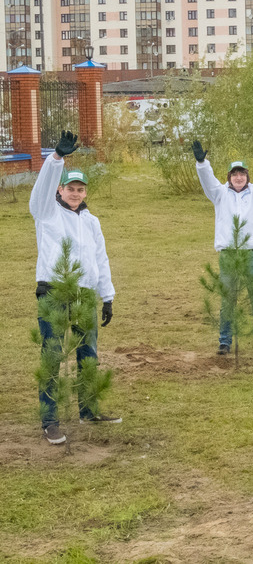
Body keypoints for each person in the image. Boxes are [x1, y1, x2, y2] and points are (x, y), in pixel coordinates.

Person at [31, 131, 121, 445]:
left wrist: (107, 296)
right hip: (54, 292)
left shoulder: (91, 221)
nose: (76, 193)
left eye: (80, 189)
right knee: (52, 356)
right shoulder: (46, 212)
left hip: (84, 295)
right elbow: (41, 189)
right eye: (71, 188)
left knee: (88, 356)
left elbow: (100, 258)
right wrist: (56, 159)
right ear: (61, 188)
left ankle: (88, 409)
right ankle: (50, 421)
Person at [192, 141, 253, 357]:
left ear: (247, 175)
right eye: (234, 174)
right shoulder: (219, 194)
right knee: (228, 300)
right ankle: (224, 342)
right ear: (229, 176)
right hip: (229, 254)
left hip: (251, 253)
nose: (239, 178)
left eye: (242, 174)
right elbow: (207, 180)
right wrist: (202, 163)